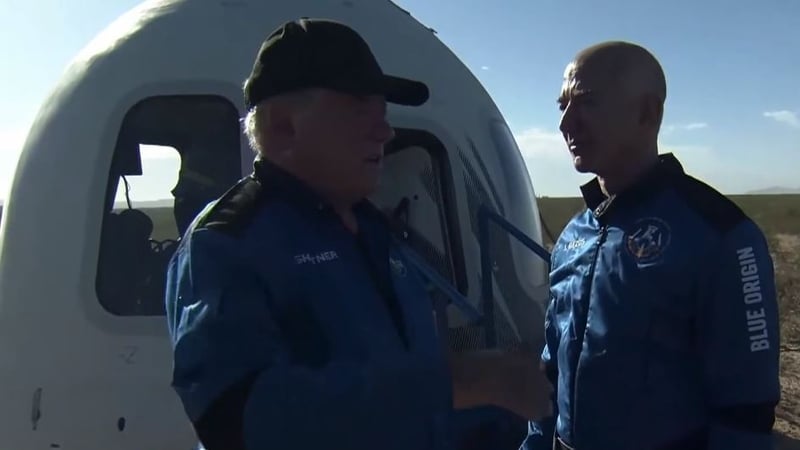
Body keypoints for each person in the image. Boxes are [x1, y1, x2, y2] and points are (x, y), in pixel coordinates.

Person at [164, 17, 553, 450]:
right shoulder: (228, 243)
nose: (384, 132)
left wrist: (503, 415)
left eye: (383, 114)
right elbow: (236, 420)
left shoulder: (377, 232)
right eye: (357, 111)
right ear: (282, 128)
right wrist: (463, 381)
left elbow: (415, 402)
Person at [521, 41, 782, 450]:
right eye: (562, 106)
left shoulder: (721, 235)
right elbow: (552, 369)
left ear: (648, 113)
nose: (566, 123)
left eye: (586, 101)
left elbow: (745, 411)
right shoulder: (575, 234)